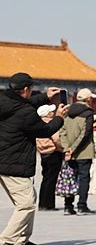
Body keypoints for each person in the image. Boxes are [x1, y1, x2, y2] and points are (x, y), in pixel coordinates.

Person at [0, 73, 66, 245]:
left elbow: (24, 105)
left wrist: (45, 97)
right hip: (15, 162)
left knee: (28, 200)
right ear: (26, 89)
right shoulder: (25, 112)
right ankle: (7, 240)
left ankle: (21, 239)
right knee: (26, 205)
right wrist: (59, 117)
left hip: (5, 160)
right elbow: (45, 130)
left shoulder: (5, 101)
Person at [59, 88, 96, 215]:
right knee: (84, 178)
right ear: (88, 99)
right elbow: (85, 134)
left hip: (69, 153)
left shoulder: (67, 112)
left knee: (70, 178)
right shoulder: (88, 113)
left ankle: (68, 206)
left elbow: (62, 132)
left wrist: (67, 149)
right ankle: (82, 205)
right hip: (84, 151)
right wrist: (73, 149)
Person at [35, 104, 63, 211]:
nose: (53, 113)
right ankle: (49, 204)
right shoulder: (51, 124)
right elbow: (56, 139)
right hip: (53, 152)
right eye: (51, 111)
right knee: (52, 179)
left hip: (43, 153)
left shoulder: (38, 124)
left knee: (45, 178)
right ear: (47, 114)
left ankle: (42, 203)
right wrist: (62, 149)